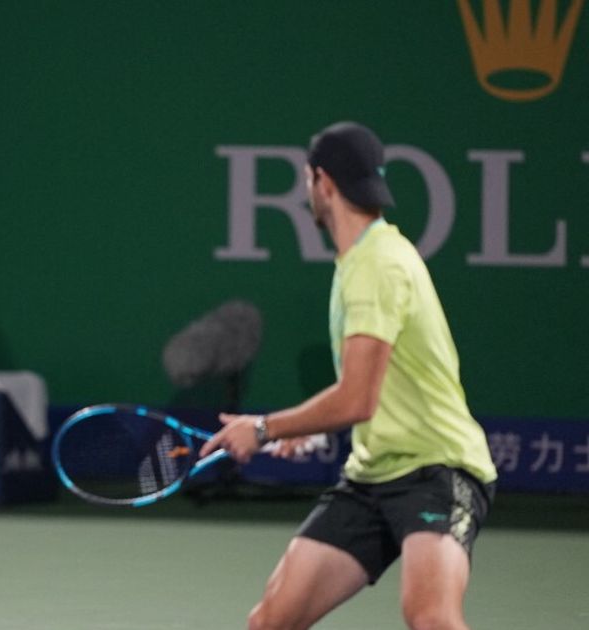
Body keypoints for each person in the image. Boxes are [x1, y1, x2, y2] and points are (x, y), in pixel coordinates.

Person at [200, 122, 497, 630]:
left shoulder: (377, 266)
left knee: (430, 617)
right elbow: (375, 384)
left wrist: (265, 427)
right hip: (372, 475)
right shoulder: (363, 259)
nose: (306, 192)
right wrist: (315, 423)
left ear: (323, 182)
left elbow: (357, 398)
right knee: (271, 621)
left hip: (438, 470)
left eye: (306, 181)